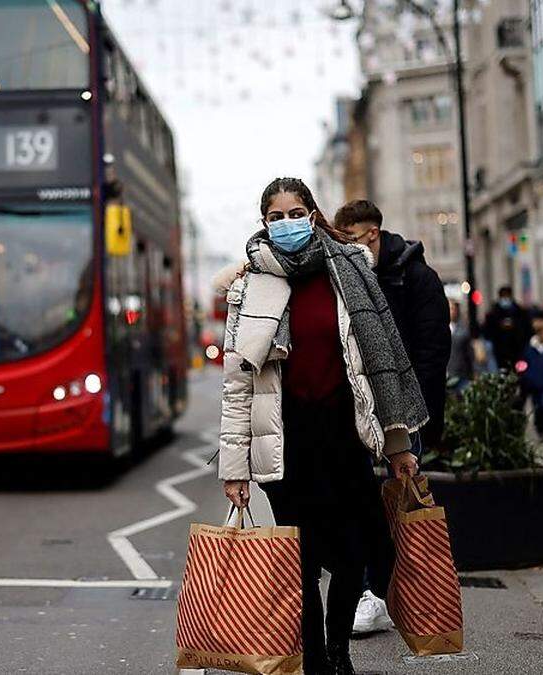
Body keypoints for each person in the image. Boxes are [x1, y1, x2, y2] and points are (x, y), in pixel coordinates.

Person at [218, 178, 426, 674]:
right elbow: (237, 385)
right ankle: (315, 660)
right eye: (276, 216)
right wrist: (234, 469)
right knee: (304, 559)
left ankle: (338, 651)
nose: (286, 222)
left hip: (346, 434)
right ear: (264, 223)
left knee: (354, 552)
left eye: (295, 212)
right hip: (287, 443)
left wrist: (398, 446)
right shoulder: (251, 286)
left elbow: (384, 365)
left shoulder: (350, 269)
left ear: (312, 214)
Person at [331, 199, 450, 635]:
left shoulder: (416, 276)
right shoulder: (351, 275)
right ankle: (371, 591)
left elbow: (433, 354)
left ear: (373, 234)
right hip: (362, 412)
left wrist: (426, 419)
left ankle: (408, 589)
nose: (349, 249)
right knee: (362, 503)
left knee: (402, 505)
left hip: (404, 413)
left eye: (354, 240)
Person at [481, 286, 533, 372]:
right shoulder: (493, 313)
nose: (505, 299)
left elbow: (526, 329)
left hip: (517, 348)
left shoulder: (519, 312)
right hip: (499, 349)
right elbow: (488, 331)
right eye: (503, 296)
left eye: (507, 296)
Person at [446, 300, 473, 396]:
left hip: (461, 374)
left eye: (453, 309)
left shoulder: (463, 331)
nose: (451, 311)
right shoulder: (439, 329)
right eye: (449, 308)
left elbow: (469, 354)